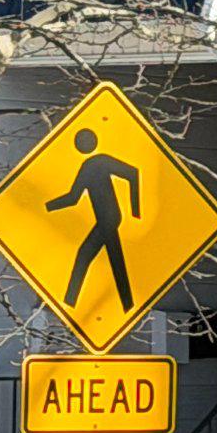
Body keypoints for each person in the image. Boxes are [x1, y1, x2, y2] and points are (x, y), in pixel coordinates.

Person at [48, 128, 141, 312]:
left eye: (82, 140)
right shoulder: (88, 166)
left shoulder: (99, 161)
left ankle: (71, 302)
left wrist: (136, 210)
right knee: (111, 261)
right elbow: (73, 198)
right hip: (107, 219)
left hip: (110, 217)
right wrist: (47, 206)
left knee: (94, 257)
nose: (80, 143)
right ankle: (126, 304)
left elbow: (133, 173)